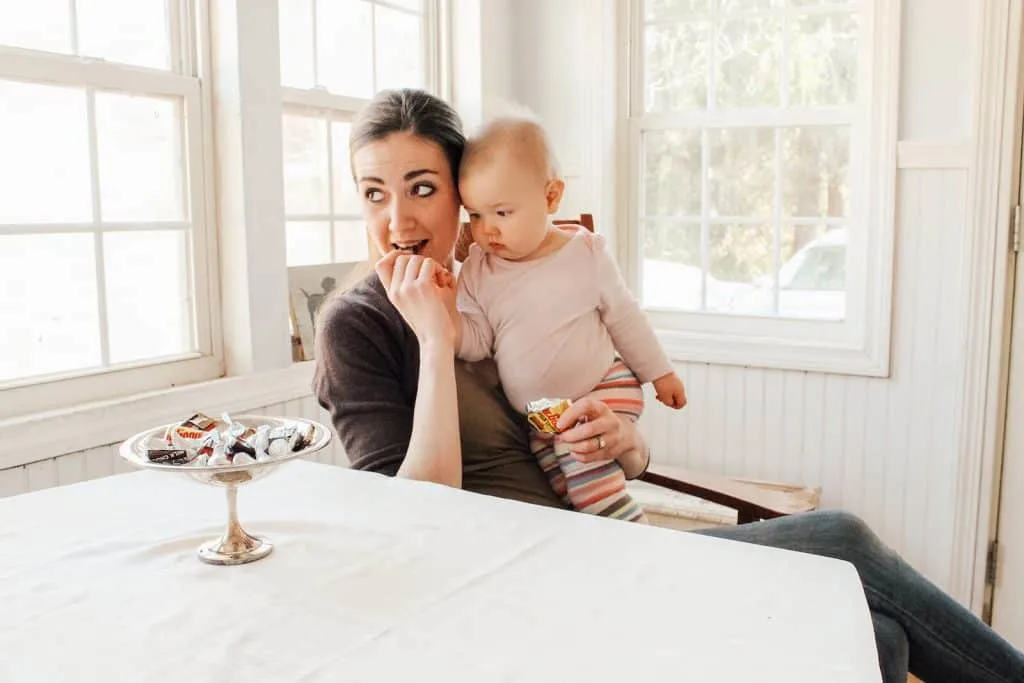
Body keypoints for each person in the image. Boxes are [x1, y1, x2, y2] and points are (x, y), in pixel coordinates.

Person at [313, 88, 1024, 682]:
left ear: (461, 200)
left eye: (423, 189)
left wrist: (627, 439)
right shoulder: (360, 323)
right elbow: (410, 526)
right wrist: (434, 342)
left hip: (594, 535)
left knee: (878, 638)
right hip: (526, 577)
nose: (397, 220)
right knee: (840, 536)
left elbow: (609, 449)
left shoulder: (493, 279)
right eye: (374, 193)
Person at [452, 113, 686, 523]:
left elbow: (626, 318)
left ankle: (636, 534)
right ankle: (609, 540)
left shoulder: (584, 255)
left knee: (584, 470)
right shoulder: (477, 271)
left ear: (551, 197)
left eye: (502, 213)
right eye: (474, 215)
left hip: (601, 386)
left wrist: (660, 374)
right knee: (569, 492)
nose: (486, 230)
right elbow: (477, 341)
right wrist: (445, 325)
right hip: (541, 416)